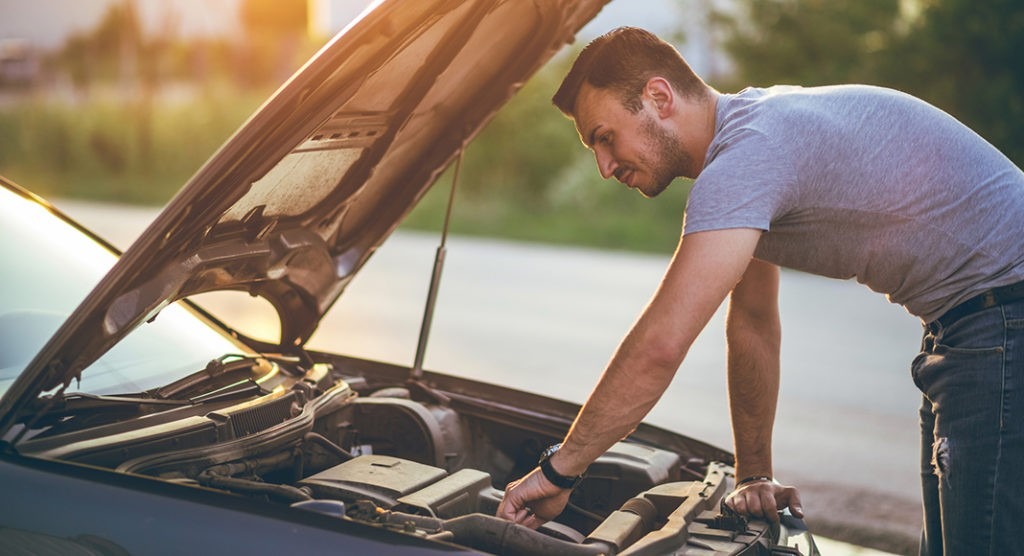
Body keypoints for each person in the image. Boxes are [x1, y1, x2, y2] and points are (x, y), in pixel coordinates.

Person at [494, 26, 1024, 555]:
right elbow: (751, 322)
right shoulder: (753, 138)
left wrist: (559, 472)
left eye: (605, 137)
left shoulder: (746, 158)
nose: (605, 167)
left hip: (1003, 318)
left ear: (658, 97)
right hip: (977, 325)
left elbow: (659, 347)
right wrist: (753, 475)